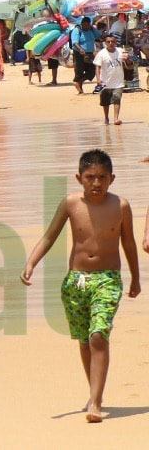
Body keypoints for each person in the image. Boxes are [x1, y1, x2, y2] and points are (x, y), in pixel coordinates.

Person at [21, 149, 140, 423]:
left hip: (108, 279)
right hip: (76, 282)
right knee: (85, 341)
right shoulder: (70, 204)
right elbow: (49, 237)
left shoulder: (120, 206)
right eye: (90, 177)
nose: (96, 183)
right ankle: (94, 392)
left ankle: (96, 402)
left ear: (112, 178)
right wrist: (31, 263)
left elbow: (129, 243)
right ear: (79, 178)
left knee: (99, 335)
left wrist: (135, 277)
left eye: (101, 177)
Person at [94, 34, 127, 126]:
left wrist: (127, 58)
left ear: (115, 42)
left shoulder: (120, 51)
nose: (110, 43)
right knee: (105, 101)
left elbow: (127, 62)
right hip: (105, 82)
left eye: (112, 41)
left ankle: (116, 118)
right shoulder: (101, 53)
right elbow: (97, 67)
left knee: (117, 99)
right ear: (105, 43)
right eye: (108, 42)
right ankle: (106, 118)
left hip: (118, 82)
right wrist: (98, 79)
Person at [70, 16, 98, 94]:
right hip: (79, 54)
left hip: (90, 54)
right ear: (82, 24)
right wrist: (80, 49)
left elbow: (99, 35)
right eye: (85, 25)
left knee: (92, 70)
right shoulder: (77, 30)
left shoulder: (91, 30)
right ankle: (79, 88)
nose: (87, 27)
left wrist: (92, 28)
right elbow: (75, 42)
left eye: (88, 25)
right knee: (79, 70)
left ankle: (79, 81)